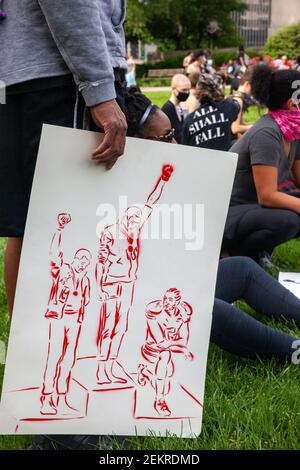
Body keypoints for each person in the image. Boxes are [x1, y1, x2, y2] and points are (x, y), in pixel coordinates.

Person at [125, 90, 300, 362]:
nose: (174, 144)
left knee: (241, 268)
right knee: (204, 307)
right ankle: (292, 350)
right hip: (136, 308)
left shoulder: (159, 179)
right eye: (164, 138)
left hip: (171, 286)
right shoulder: (118, 193)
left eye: (173, 135)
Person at [0, 0, 128, 319]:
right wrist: (100, 90)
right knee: (67, 223)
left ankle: (27, 353)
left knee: (35, 224)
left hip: (28, 72)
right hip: (59, 74)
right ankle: (42, 352)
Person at [95, 165, 173, 385]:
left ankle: (112, 363)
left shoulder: (135, 230)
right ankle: (102, 368)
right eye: (131, 218)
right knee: (108, 325)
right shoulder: (110, 232)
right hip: (111, 284)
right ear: (124, 217)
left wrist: (164, 179)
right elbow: (100, 262)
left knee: (121, 326)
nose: (134, 223)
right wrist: (100, 286)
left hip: (128, 283)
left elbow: (151, 202)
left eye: (137, 220)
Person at [224, 66, 300, 262]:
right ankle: (236, 254)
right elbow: (267, 196)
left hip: (254, 207)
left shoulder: (292, 130)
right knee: (289, 221)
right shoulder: (266, 133)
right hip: (229, 212)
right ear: (292, 104)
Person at [41, 214, 91, 415]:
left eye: (87, 260)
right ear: (75, 259)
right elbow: (54, 254)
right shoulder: (63, 271)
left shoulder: (86, 280)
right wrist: (59, 230)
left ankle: (62, 396)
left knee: (69, 358)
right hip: (59, 318)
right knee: (54, 356)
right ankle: (46, 397)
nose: (83, 263)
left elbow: (85, 301)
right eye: (81, 258)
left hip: (75, 321)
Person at [138, 289, 193, 417]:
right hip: (152, 349)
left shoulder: (181, 316)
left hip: (168, 349)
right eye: (165, 298)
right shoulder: (155, 313)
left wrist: (180, 345)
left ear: (177, 302)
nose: (166, 302)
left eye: (170, 299)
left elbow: (184, 340)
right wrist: (181, 348)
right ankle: (159, 401)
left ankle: (144, 372)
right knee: (165, 356)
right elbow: (161, 343)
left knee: (165, 386)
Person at [181, 73, 241, 151]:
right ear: (218, 89)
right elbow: (237, 107)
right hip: (224, 160)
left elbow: (184, 148)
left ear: (198, 91)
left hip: (199, 161)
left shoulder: (189, 119)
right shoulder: (228, 106)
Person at [161, 74, 191, 143]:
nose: (187, 93)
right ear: (174, 89)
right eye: (184, 90)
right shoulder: (167, 110)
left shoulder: (180, 106)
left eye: (188, 90)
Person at [229, 66, 254, 144]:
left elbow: (240, 123)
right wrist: (255, 127)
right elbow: (235, 128)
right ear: (247, 84)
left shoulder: (236, 96)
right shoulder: (238, 100)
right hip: (229, 141)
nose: (253, 91)